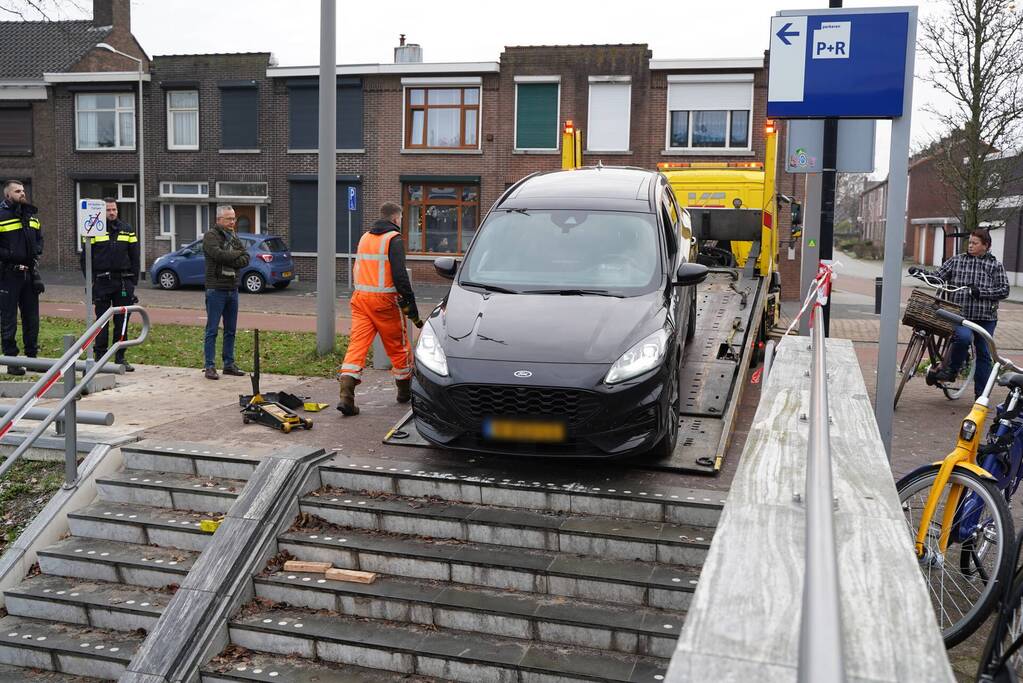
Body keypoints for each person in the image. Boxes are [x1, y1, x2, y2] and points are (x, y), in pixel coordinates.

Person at [337, 201, 423, 415]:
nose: (401, 222)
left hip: (360, 299)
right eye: (401, 219)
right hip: (384, 302)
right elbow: (400, 275)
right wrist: (411, 305)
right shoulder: (393, 239)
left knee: (357, 346)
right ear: (396, 219)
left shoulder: (365, 237)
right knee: (398, 346)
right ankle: (404, 393)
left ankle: (346, 396)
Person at [926, 228, 1010, 397]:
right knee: (963, 338)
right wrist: (922, 274)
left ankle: (981, 396)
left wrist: (982, 293)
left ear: (985, 246)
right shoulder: (956, 261)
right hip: (960, 315)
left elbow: (1004, 290)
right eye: (969, 242)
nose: (970, 246)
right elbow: (939, 276)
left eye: (974, 243)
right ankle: (951, 371)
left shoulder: (995, 265)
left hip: (985, 318)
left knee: (984, 354)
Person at [81, 198, 139, 371]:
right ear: (101, 211)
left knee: (122, 321)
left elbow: (135, 257)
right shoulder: (93, 229)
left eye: (114, 209)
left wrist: (132, 283)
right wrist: (90, 281)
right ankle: (100, 357)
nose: (112, 213)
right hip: (102, 281)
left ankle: (120, 357)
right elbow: (85, 259)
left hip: (122, 282)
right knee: (102, 321)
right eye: (108, 210)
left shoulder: (127, 229)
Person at [0, 180, 43, 376]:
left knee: (32, 318)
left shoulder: (30, 216)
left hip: (29, 274)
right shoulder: (1, 217)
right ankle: (12, 360)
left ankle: (32, 358)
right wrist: (9, 254)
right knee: (8, 319)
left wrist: (38, 250)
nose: (22, 193)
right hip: (9, 274)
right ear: (8, 195)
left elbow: (39, 237)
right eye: (18, 191)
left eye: (23, 190)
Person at [202, 205, 249, 380]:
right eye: (229, 219)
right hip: (216, 290)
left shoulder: (234, 237)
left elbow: (246, 258)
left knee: (231, 330)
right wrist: (237, 255)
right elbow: (218, 255)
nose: (232, 222)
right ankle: (210, 366)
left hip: (232, 289)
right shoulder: (210, 236)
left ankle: (228, 364)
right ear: (219, 220)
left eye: (234, 218)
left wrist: (234, 255)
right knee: (212, 330)